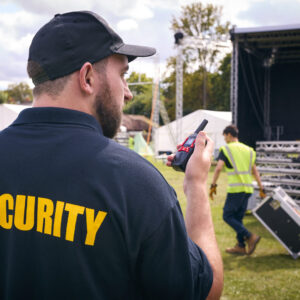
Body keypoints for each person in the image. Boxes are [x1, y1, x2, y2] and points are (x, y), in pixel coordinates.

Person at [0, 11, 223, 299]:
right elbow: (206, 291)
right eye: (122, 75)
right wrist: (196, 186)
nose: (128, 93)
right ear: (88, 77)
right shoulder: (135, 183)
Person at [209, 125, 266, 255]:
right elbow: (254, 171)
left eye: (224, 136)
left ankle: (250, 236)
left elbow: (218, 168)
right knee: (238, 218)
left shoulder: (226, 149)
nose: (225, 139)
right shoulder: (249, 150)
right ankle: (241, 246)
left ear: (229, 135)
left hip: (236, 189)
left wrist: (213, 185)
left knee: (227, 216)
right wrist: (261, 187)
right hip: (248, 189)